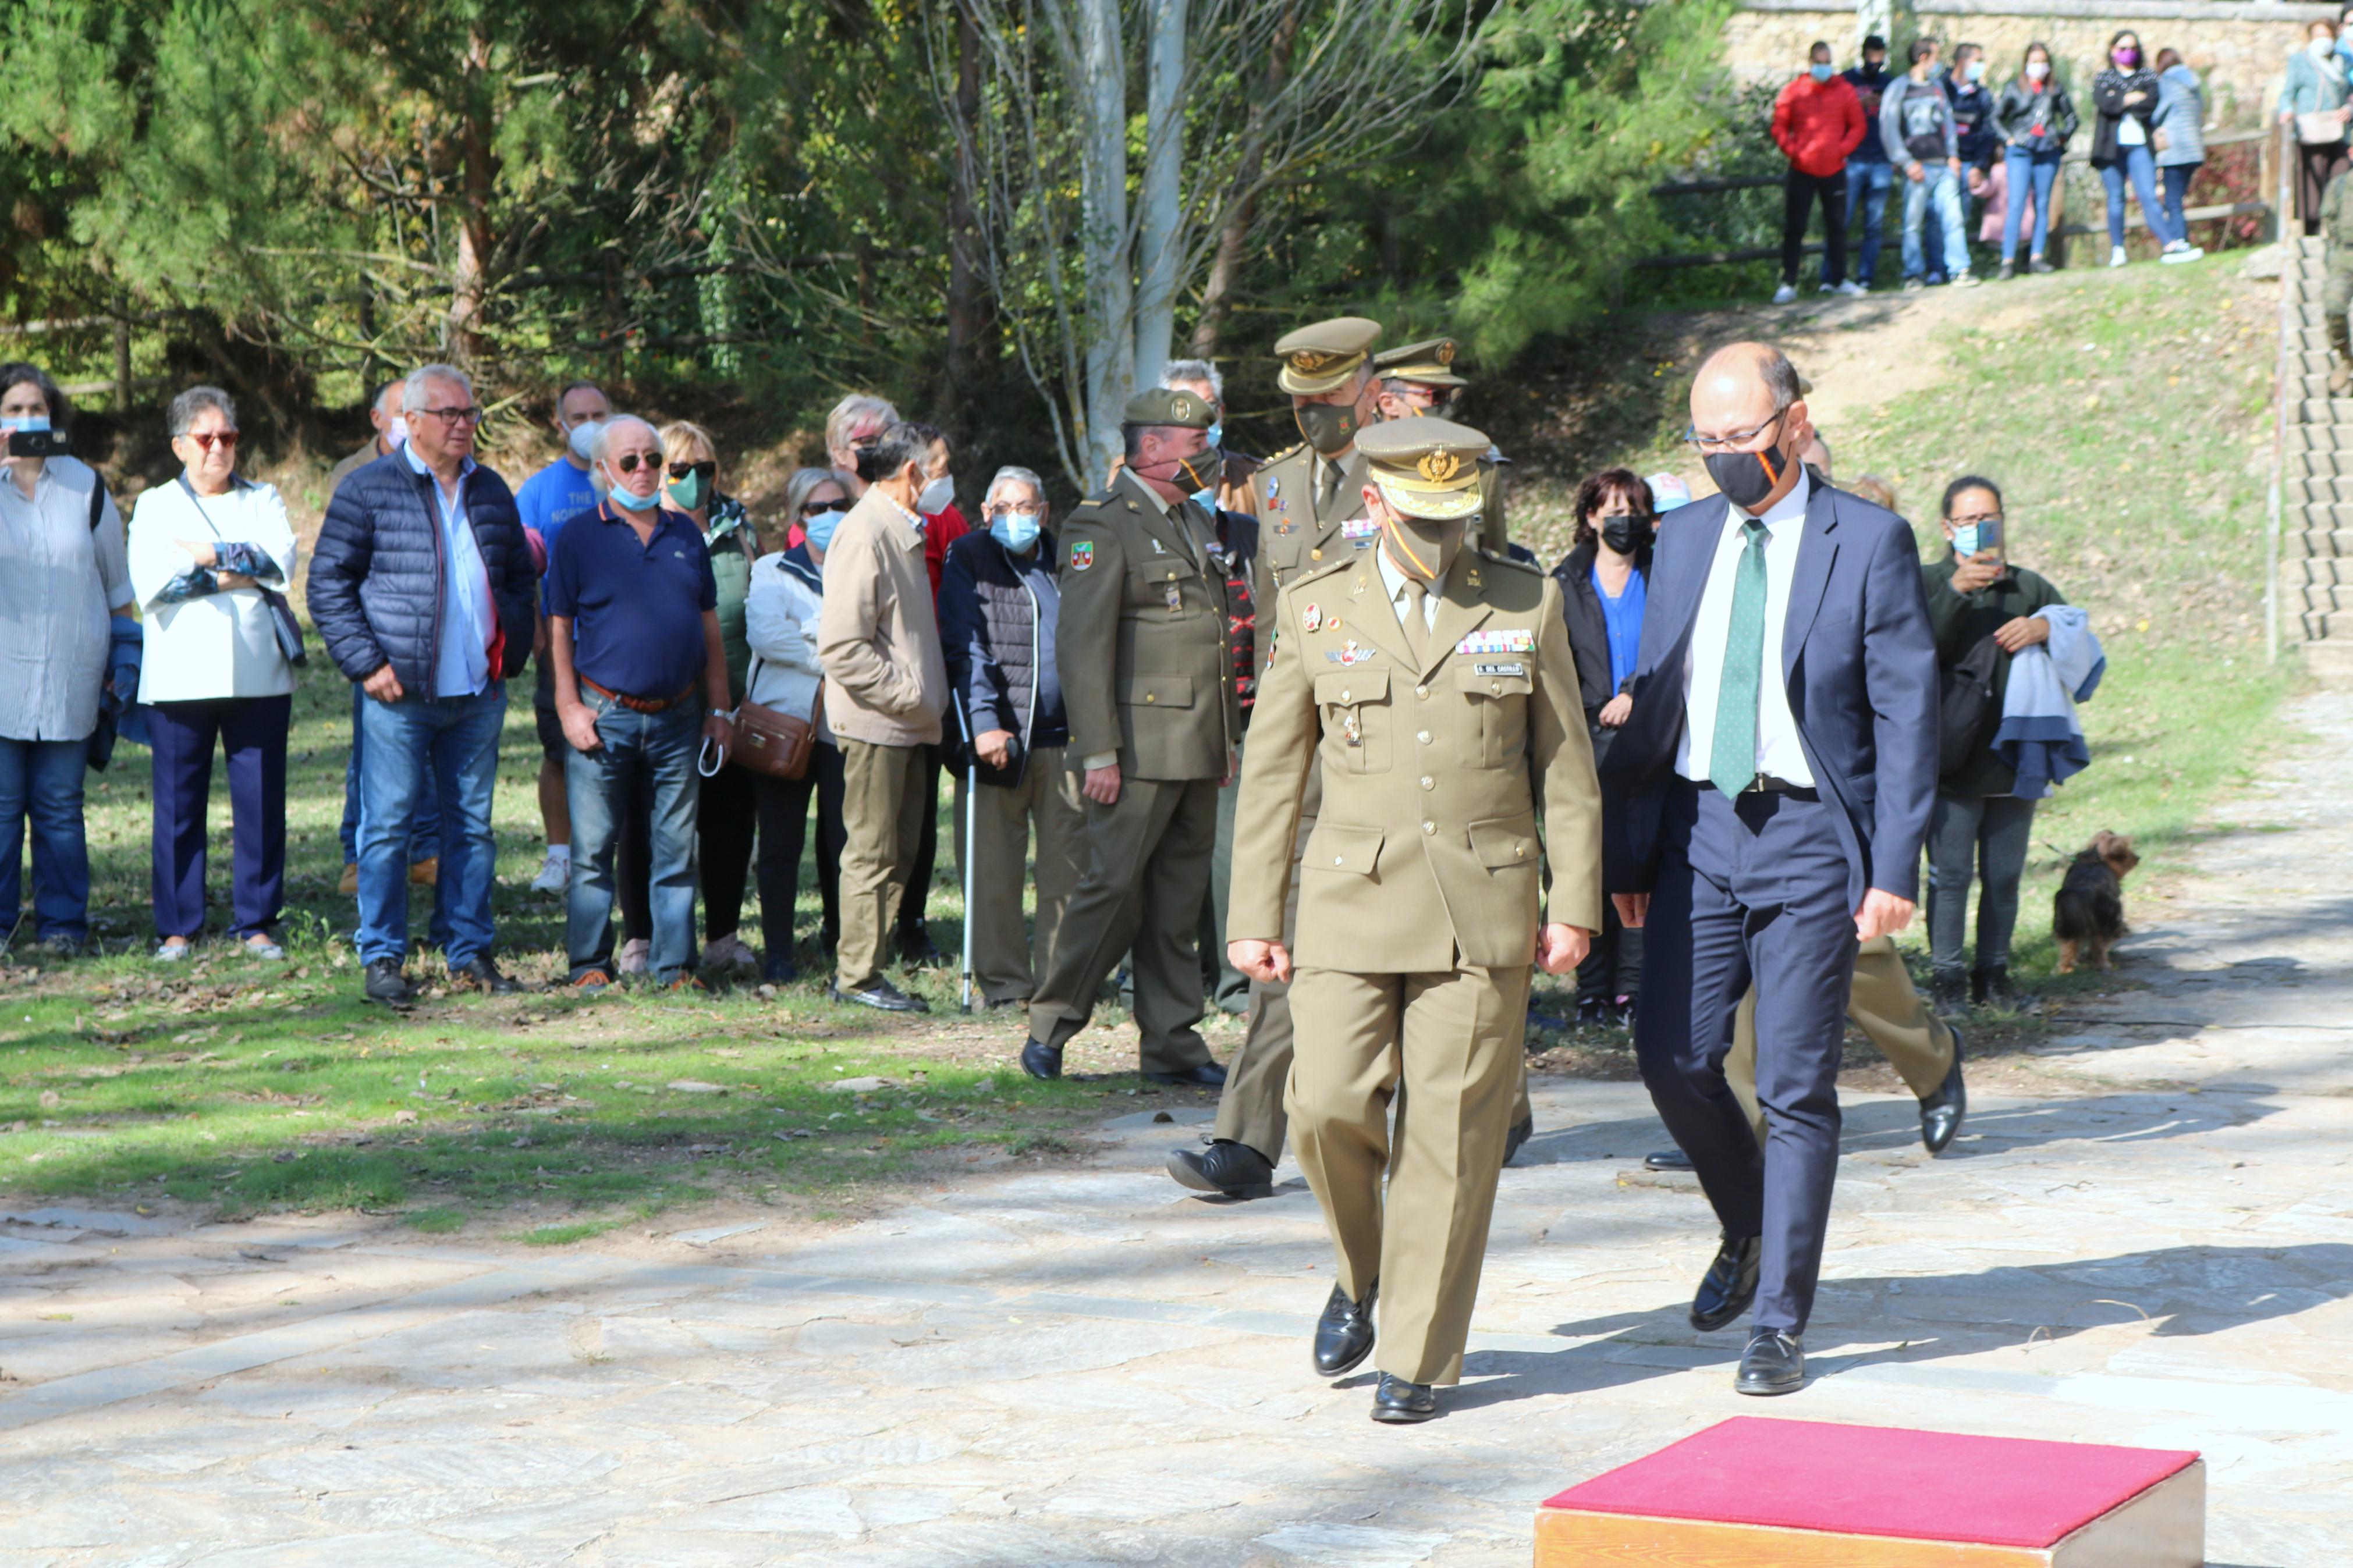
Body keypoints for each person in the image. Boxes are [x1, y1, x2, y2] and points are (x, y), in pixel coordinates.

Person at [1227, 415, 1600, 1423]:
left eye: (1457, 514)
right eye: (1421, 516)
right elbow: (1270, 777)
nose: (1441, 537)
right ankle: (1361, 1274)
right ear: (1374, 504)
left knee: (1451, 1135)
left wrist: (1573, 903)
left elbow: (1563, 765)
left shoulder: (1527, 600)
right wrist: (1253, 913)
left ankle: (1417, 1358)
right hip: (1350, 900)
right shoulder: (1314, 608)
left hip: (1483, 906)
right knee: (1324, 1105)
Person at [1600, 342, 1936, 1397]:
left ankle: (1780, 1322)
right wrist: (1626, 849)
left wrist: (1890, 865)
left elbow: (1905, 713)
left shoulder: (1868, 541)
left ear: (1792, 423)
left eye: (1739, 439)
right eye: (1703, 444)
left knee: (1794, 1087)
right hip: (1698, 836)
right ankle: (1747, 1225)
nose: (1721, 461)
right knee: (1675, 1059)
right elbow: (1658, 701)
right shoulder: (1685, 538)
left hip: (1807, 842)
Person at [1169, 321, 1378, 1196]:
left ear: (1366, 388)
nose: (1312, 414)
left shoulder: (1419, 473)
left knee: (1436, 936)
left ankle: (1495, 1098)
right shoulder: (1276, 487)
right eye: (1298, 400)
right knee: (1282, 946)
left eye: (1327, 398)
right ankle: (1245, 1144)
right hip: (1302, 745)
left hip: (1395, 748)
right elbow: (1267, 617)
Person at [1021, 387, 1237, 1083]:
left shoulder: (1191, 521)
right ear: (1151, 450)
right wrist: (1100, 752)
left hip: (1197, 745)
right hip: (1136, 749)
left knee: (1176, 906)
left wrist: (1224, 743)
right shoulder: (1102, 526)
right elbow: (1081, 649)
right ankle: (1051, 1025)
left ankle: (1172, 1044)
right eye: (1193, 445)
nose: (1204, 455)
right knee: (1111, 890)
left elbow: (1208, 640)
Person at [308, 364, 535, 1005]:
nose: (464, 425)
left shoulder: (490, 489)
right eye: (450, 415)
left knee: (472, 827)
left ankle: (468, 951)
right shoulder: (369, 489)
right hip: (398, 694)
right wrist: (367, 663)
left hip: (477, 692)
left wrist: (511, 649)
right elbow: (327, 585)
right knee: (385, 828)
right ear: (411, 421)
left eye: (470, 414)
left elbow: (518, 575)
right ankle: (382, 956)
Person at [545, 415, 732, 992]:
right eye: (629, 461)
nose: (645, 470)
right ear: (603, 470)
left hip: (679, 716)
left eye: (653, 458)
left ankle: (674, 967)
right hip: (605, 714)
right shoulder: (577, 536)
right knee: (595, 848)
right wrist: (568, 705)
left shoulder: (685, 535)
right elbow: (556, 627)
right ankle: (588, 966)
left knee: (677, 848)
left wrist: (719, 709)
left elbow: (710, 630)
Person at [129, 386, 299, 962]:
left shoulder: (265, 496)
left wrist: (201, 553)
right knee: (177, 805)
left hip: (258, 674)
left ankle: (256, 922)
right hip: (180, 676)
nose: (218, 449)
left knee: (260, 801)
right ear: (180, 445)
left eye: (228, 437)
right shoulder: (154, 505)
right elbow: (155, 582)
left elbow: (279, 564)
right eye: (206, 438)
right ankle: (177, 927)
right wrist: (236, 564)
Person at [817, 421, 952, 1013]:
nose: (948, 480)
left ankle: (869, 967)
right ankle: (856, 976)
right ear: (912, 472)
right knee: (871, 851)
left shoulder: (897, 528)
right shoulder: (865, 532)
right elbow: (843, 646)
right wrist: (909, 693)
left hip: (905, 724)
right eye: (942, 466)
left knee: (898, 848)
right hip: (878, 725)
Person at [0, 362, 133, 957]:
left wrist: (124, 660)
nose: (27, 420)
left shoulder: (87, 486)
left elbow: (117, 590)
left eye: (36, 409)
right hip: (4, 677)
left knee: (58, 808)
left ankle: (62, 929)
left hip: (70, 677)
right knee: (1, 812)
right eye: (14, 409)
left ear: (53, 416)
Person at [1923, 476, 2070, 1015]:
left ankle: (1994, 976)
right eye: (1966, 520)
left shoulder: (2028, 588)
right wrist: (1956, 592)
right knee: (1950, 874)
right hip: (1948, 757)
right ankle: (1945, 982)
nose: (1980, 529)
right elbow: (1911, 650)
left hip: (2015, 755)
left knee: (2005, 876)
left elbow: (2076, 633)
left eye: (1989, 518)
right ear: (1946, 528)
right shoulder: (1924, 580)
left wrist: (2045, 628)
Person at [939, 466, 1083, 1009]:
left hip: (1066, 740)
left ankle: (1057, 986)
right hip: (999, 741)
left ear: (1044, 512)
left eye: (1025, 508)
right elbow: (964, 644)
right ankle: (1004, 987)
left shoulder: (1068, 556)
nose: (1015, 518)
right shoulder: (969, 555)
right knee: (994, 873)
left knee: (1065, 873)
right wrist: (982, 721)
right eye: (1003, 508)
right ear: (985, 512)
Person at [639, 419, 762, 977]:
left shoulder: (739, 530)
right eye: (681, 470)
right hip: (660, 700)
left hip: (729, 700)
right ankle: (644, 938)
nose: (694, 481)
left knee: (728, 819)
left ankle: (723, 936)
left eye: (704, 470)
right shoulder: (644, 528)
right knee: (651, 823)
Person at [1160, 359, 1262, 1015]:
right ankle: (1174, 975)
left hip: (1248, 694)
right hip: (1172, 700)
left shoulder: (1254, 484)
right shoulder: (1135, 489)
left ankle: (1232, 977)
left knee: (1235, 842)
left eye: (1206, 408)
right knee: (1174, 846)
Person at [743, 468, 852, 983]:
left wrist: (809, 632)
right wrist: (837, 654)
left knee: (843, 839)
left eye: (838, 506)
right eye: (816, 508)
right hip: (783, 727)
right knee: (781, 843)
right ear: (796, 517)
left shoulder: (862, 567)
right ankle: (779, 953)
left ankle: (841, 940)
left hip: (846, 726)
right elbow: (766, 635)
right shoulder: (770, 569)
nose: (828, 516)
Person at [332, 380, 439, 898]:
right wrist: (362, 651)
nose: (412, 421)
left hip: (433, 647)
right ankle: (358, 857)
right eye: (403, 412)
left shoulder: (446, 467)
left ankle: (427, 851)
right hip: (375, 646)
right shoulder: (353, 476)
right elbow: (339, 567)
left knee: (431, 755)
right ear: (379, 419)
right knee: (369, 757)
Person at [1554, 470, 1653, 1026]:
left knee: (1637, 863)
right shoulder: (1564, 580)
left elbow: (1678, 645)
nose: (1624, 520)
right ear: (1590, 517)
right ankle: (1591, 986)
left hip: (1648, 736)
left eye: (1634, 509)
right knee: (1586, 863)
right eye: (1613, 509)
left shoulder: (1662, 574)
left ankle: (1632, 989)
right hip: (1583, 740)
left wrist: (1635, 692)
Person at [516, 379, 613, 897]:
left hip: (620, 645)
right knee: (558, 750)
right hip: (560, 644)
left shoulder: (629, 479)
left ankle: (613, 854)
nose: (589, 424)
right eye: (579, 416)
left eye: (599, 413)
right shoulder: (536, 492)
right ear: (560, 425)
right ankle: (560, 856)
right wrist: (536, 637)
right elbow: (516, 572)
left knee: (619, 751)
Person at [1371, 337, 1528, 563]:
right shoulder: (1357, 470)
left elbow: (1495, 564)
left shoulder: (1478, 471)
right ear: (1388, 403)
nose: (1446, 407)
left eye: (1450, 396)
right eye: (1436, 396)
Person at [1772, 41, 1866, 304]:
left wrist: (1842, 149)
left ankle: (1839, 280)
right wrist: (1795, 152)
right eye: (1820, 62)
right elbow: (1779, 127)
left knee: (1837, 226)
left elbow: (1858, 125)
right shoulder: (1793, 91)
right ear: (1810, 62)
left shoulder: (1845, 91)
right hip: (1802, 169)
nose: (1824, 67)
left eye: (1828, 62)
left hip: (1834, 169)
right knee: (1795, 227)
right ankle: (1788, 282)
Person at [1882, 37, 1979, 290]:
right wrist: (1905, 162)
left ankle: (1959, 270)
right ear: (1923, 58)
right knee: (1913, 224)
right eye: (1936, 57)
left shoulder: (1937, 88)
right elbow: (1889, 128)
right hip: (1917, 169)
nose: (1938, 63)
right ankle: (1913, 274)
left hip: (1943, 166)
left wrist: (1953, 155)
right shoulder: (1898, 89)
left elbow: (1947, 124)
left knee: (1954, 219)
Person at [2094, 30, 2187, 266]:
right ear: (2113, 50)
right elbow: (2105, 104)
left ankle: (2170, 245)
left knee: (2148, 197)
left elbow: (2150, 103)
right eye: (2123, 48)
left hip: (2139, 146)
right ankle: (2118, 250)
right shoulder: (2103, 78)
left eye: (2132, 48)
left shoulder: (2147, 76)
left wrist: (2121, 100)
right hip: (2111, 148)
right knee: (2116, 199)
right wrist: (2130, 98)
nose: (2128, 53)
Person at [1992, 41, 2076, 279]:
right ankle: (2007, 261)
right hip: (2020, 151)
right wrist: (2008, 138)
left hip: (2047, 151)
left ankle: (2036, 258)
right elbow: (1996, 118)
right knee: (2017, 203)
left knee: (2043, 205)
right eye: (2034, 62)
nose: (2039, 66)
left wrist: (2060, 138)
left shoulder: (2055, 89)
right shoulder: (2014, 88)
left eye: (2042, 62)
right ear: (2026, 64)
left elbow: (2071, 118)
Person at [2284, 19, 2353, 239]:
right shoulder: (2300, 61)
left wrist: (2350, 108)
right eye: (2318, 36)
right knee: (2311, 184)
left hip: (2339, 129)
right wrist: (2285, 110)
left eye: (2327, 35)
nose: (2323, 40)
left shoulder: (2344, 61)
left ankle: (2338, 231)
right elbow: (2288, 92)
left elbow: (2350, 93)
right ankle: (2311, 233)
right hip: (2311, 130)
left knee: (2340, 178)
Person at [1842, 34, 1898, 291]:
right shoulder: (1846, 81)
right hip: (1852, 160)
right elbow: (1834, 116)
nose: (1876, 61)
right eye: (1872, 56)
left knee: (1874, 225)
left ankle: (1866, 278)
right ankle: (1833, 277)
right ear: (1863, 54)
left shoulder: (1889, 83)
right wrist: (1858, 104)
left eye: (1880, 57)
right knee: (1842, 221)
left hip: (1881, 161)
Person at [2150, 49, 2207, 257]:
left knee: (2173, 200)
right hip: (2194, 149)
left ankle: (2180, 242)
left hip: (2175, 149)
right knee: (2179, 198)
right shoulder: (2193, 82)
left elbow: (2158, 112)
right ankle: (2181, 240)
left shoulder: (2167, 81)